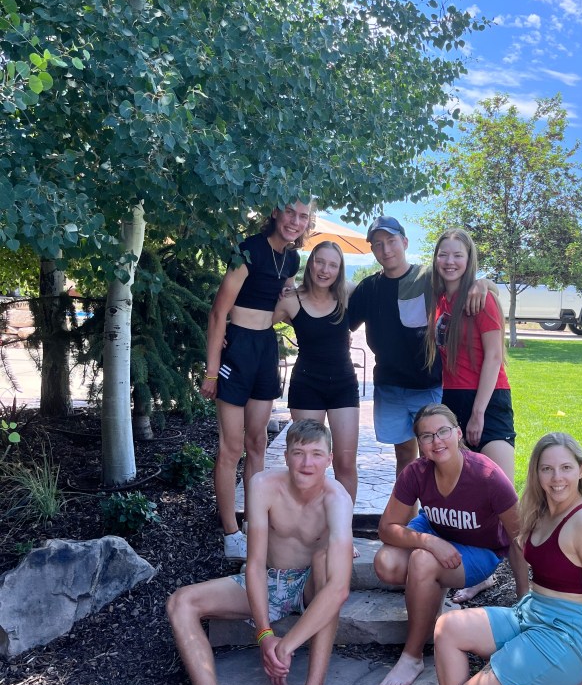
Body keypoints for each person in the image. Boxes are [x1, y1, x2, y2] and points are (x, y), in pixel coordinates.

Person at [329, 432, 582, 685]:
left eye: (565, 468)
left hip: (563, 638)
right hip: (532, 615)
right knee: (448, 627)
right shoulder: (542, 511)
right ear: (536, 472)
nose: (556, 478)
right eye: (547, 469)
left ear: (581, 469)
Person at [167, 419, 353, 685]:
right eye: (298, 453)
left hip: (311, 582)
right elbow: (253, 564)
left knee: (326, 562)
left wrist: (287, 644)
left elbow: (340, 588)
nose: (307, 463)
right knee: (181, 602)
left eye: (316, 454)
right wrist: (265, 634)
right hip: (270, 578)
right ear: (286, 456)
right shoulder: (263, 485)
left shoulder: (337, 498)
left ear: (329, 459)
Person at [372, 403, 530, 685]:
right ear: (419, 443)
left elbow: (518, 538)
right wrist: (430, 541)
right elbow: (386, 528)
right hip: (435, 533)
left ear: (458, 433)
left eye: (443, 431)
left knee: (422, 562)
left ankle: (412, 656)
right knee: (386, 562)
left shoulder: (487, 476)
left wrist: (524, 600)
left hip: (480, 550)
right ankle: (433, 591)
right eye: (427, 436)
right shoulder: (416, 472)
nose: (437, 441)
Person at [201, 199, 315, 560]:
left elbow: (286, 301)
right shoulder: (248, 249)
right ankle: (230, 531)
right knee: (231, 447)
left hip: (266, 348)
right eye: (290, 212)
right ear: (276, 213)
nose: (295, 221)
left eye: (303, 217)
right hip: (237, 348)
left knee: (257, 443)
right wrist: (211, 370)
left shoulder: (292, 259)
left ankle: (253, 522)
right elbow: (218, 312)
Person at [348, 217, 490, 479]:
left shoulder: (428, 278)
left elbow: (463, 280)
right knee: (404, 456)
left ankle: (437, 505)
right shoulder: (369, 288)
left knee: (436, 456)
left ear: (404, 242)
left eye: (391, 241)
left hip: (428, 386)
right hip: (389, 388)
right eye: (378, 244)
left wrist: (484, 283)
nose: (386, 249)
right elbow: (342, 320)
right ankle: (408, 505)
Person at [426, 227, 517, 603]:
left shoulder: (481, 299)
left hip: (489, 399)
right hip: (451, 400)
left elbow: (494, 357)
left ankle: (529, 586)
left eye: (457, 255)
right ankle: (480, 573)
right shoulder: (439, 299)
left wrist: (478, 414)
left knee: (502, 493)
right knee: (462, 493)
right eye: (443, 254)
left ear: (469, 260)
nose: (449, 261)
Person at [272, 241, 359, 504]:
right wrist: (227, 336)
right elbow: (256, 325)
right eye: (320, 262)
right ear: (310, 264)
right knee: (306, 462)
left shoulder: (348, 293)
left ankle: (343, 524)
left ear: (340, 269)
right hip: (307, 386)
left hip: (344, 385)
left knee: (345, 462)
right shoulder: (291, 299)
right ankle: (306, 522)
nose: (325, 270)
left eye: (333, 265)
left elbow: (385, 291)